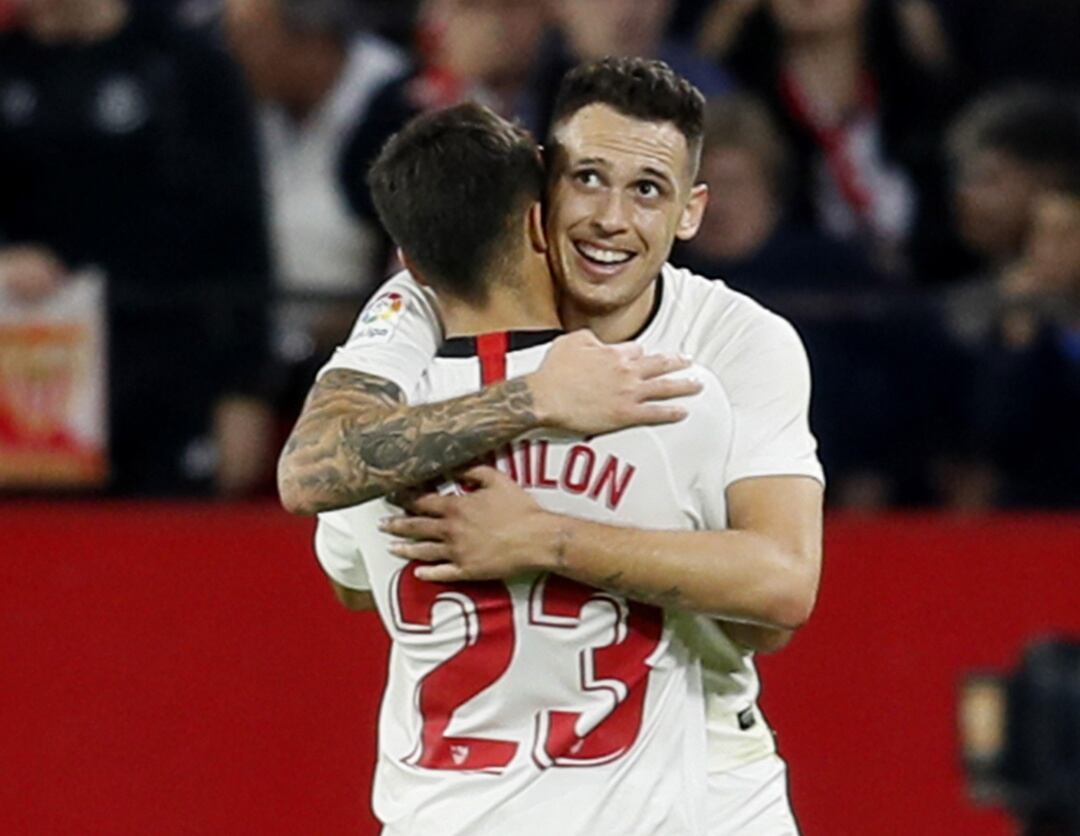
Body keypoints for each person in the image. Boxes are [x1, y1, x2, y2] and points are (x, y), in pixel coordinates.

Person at [280, 57, 823, 834]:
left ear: (691, 211)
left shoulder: (736, 345)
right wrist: (533, 402)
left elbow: (777, 593)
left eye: (648, 191)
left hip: (707, 779)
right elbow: (309, 470)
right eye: (590, 177)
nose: (611, 218)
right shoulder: (420, 303)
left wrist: (545, 542)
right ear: (541, 185)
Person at [0, 0, 273, 496]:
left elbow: (240, 235)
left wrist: (245, 388)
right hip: (31, 385)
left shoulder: (188, 66)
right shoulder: (9, 63)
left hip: (167, 370)